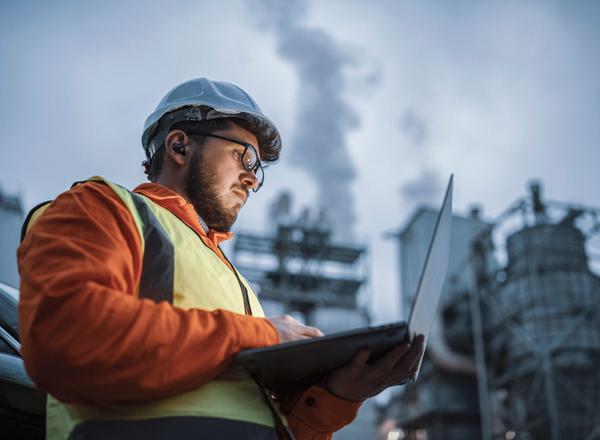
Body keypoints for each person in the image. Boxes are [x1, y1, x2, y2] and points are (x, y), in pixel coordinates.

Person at [17, 78, 424, 439]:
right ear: (179, 145)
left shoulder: (237, 284)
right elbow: (66, 336)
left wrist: (338, 395)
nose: (252, 178)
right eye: (244, 157)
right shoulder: (102, 208)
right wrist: (262, 335)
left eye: (258, 170)